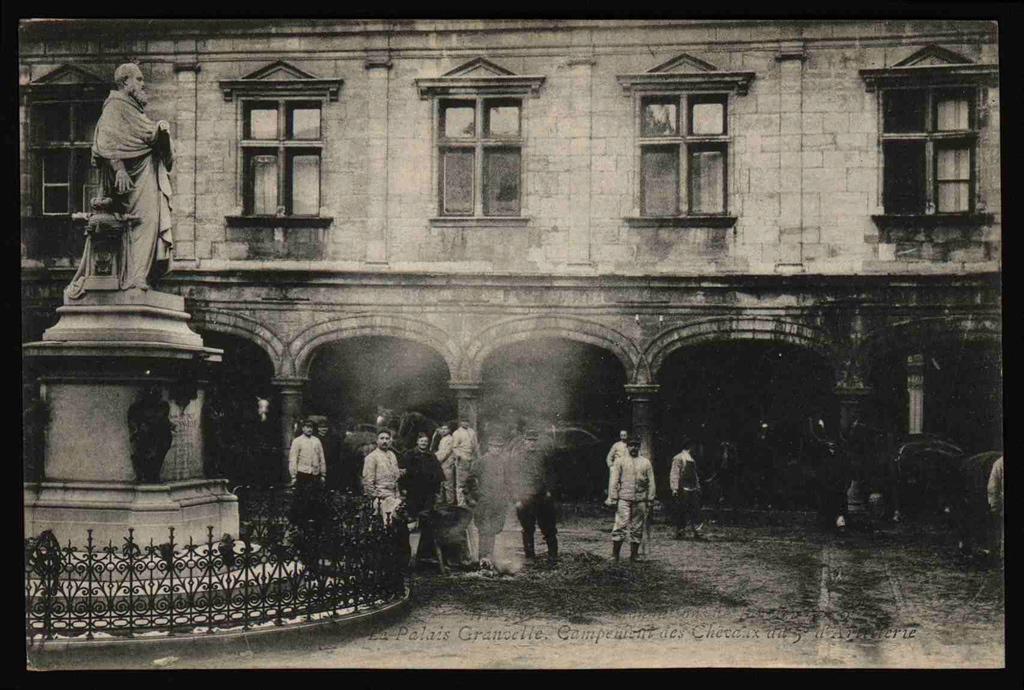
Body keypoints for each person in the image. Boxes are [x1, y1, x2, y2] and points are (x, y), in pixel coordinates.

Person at [68, 63, 174, 298]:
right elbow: (106, 142)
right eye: (138, 79)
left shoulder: (133, 111)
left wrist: (160, 131)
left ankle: (136, 276)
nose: (142, 83)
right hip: (126, 182)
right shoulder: (115, 107)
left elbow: (148, 139)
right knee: (142, 222)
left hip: (144, 176)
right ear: (124, 82)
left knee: (148, 222)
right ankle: (134, 278)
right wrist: (120, 169)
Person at [508, 429, 559, 562]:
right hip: (525, 497)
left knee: (549, 527)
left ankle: (553, 555)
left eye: (534, 440)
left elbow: (551, 474)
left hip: (542, 496)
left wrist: (549, 490)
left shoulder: (543, 455)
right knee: (528, 528)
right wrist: (516, 499)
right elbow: (512, 479)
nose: (532, 443)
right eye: (529, 440)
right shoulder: (517, 458)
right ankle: (530, 556)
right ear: (524, 441)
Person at [363, 429, 410, 570]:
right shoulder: (371, 457)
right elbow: (368, 482)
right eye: (381, 438)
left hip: (394, 497)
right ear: (377, 441)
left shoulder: (392, 455)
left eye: (387, 438)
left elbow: (395, 478)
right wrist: (377, 499)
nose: (384, 441)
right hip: (381, 498)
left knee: (400, 529)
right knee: (385, 530)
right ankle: (383, 563)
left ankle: (399, 562)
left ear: (391, 441)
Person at [465, 429, 512, 566]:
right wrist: (476, 495)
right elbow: (470, 479)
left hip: (499, 501)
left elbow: (509, 480)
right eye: (494, 446)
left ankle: (489, 557)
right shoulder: (481, 461)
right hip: (484, 501)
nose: (496, 449)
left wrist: (507, 495)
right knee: (484, 530)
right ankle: (482, 558)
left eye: (499, 447)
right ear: (489, 447)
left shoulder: (504, 462)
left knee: (494, 529)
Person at [400, 432, 446, 567]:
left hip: (428, 495)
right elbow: (402, 474)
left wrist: (437, 493)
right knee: (412, 523)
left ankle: (423, 554)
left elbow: (439, 477)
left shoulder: (432, 456)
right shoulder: (408, 455)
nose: (423, 444)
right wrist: (403, 489)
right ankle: (409, 555)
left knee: (427, 522)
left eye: (426, 441)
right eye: (421, 441)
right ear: (417, 442)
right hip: (413, 494)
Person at [606, 438, 656, 563]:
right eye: (631, 445)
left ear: (639, 447)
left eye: (636, 445)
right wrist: (613, 497)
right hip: (624, 498)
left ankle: (634, 555)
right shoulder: (620, 461)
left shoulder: (645, 462)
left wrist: (650, 498)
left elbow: (651, 482)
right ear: (627, 447)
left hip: (640, 500)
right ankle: (615, 554)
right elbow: (614, 481)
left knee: (637, 527)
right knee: (620, 525)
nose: (634, 448)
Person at [288, 419, 326, 524]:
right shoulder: (297, 441)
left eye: (311, 427)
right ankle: (299, 521)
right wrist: (293, 476)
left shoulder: (316, 441)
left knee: (314, 497)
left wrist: (323, 474)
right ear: (303, 428)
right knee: (301, 497)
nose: (309, 429)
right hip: (302, 473)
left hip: (314, 473)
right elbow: (293, 459)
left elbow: (321, 458)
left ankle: (312, 520)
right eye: (307, 427)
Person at [670, 438, 703, 539]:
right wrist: (674, 488)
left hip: (692, 488)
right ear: (690, 446)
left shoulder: (692, 459)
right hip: (683, 488)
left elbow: (694, 474)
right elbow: (674, 473)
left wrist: (697, 486)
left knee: (696, 510)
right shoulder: (678, 458)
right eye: (693, 446)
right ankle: (680, 531)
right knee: (682, 510)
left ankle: (698, 531)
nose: (695, 448)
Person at [451, 419, 480, 507]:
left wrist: (477, 457)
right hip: (462, 459)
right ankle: (461, 504)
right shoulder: (457, 433)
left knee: (472, 481)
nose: (466, 423)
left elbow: (475, 446)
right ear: (460, 423)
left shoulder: (472, 432)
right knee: (461, 483)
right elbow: (454, 447)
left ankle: (472, 502)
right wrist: (461, 456)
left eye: (467, 421)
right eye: (464, 421)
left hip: (471, 459)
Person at [604, 430, 630, 500]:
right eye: (621, 435)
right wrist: (611, 466)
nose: (623, 436)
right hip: (617, 466)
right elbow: (609, 456)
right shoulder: (616, 445)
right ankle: (612, 500)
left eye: (625, 435)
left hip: (627, 466)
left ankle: (624, 499)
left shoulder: (630, 445)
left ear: (627, 435)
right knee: (614, 483)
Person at [435, 423, 456, 505]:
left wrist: (436, 460)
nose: (443, 430)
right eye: (442, 429)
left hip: (447, 465)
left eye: (445, 429)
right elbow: (440, 452)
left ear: (449, 430)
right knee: (441, 483)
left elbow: (445, 453)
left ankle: (450, 502)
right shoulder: (442, 439)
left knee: (448, 485)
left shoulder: (450, 439)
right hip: (441, 465)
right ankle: (441, 502)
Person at [987, 455, 1003, 560]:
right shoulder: (999, 463)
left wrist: (994, 507)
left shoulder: (1000, 462)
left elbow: (993, 489)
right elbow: (993, 489)